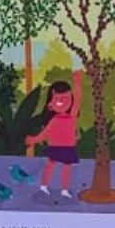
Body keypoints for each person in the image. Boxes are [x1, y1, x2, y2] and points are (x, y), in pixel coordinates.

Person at [26, 70, 82, 200]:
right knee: (50, 165)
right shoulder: (54, 120)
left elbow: (78, 98)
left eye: (65, 99)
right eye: (57, 99)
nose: (61, 102)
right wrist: (34, 140)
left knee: (66, 167)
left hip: (69, 147)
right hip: (55, 146)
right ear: (50, 105)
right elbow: (45, 134)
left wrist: (77, 82)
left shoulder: (72, 116)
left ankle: (64, 189)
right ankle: (44, 186)